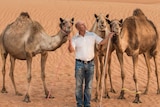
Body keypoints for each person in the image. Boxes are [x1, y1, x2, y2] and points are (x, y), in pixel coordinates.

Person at [68, 21, 114, 107]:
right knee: (79, 86)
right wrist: (70, 41)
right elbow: (71, 50)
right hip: (79, 65)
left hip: (90, 64)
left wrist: (108, 37)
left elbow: (101, 42)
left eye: (84, 24)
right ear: (78, 28)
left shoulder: (92, 35)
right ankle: (79, 104)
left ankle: (87, 104)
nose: (84, 25)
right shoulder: (75, 38)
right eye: (82, 25)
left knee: (88, 86)